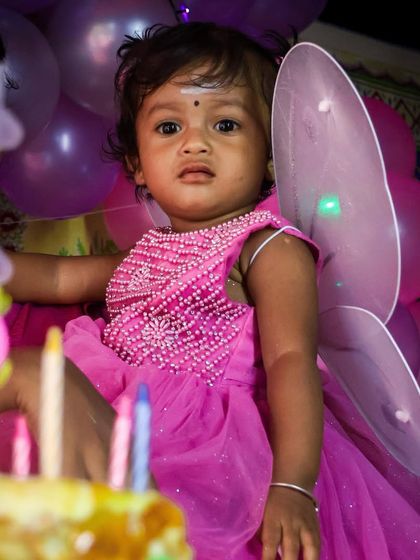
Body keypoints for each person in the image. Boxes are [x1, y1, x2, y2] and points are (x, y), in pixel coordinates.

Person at [0, 22, 419, 560]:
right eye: (169, 126)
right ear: (137, 165)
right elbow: (58, 278)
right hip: (109, 407)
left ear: (269, 156)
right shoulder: (145, 252)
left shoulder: (266, 248)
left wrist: (293, 483)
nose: (196, 141)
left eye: (225, 123)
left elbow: (292, 360)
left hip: (200, 444)